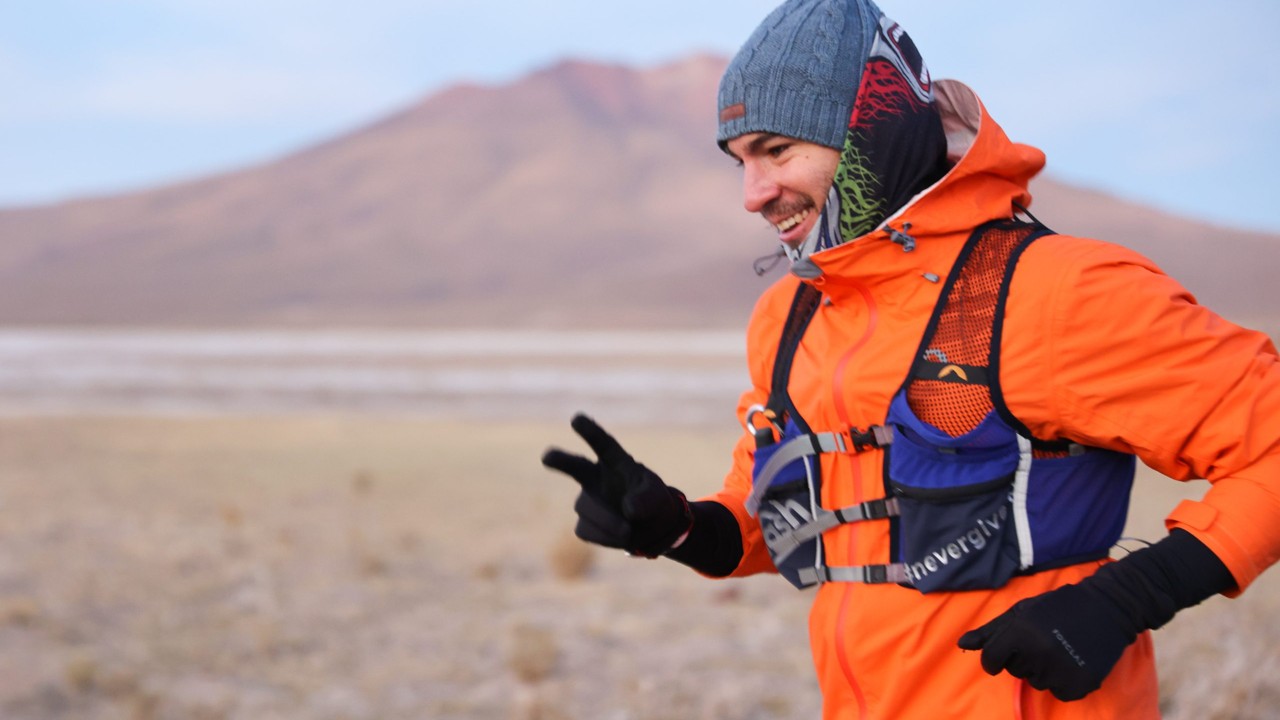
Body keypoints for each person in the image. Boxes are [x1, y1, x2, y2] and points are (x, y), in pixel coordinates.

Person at [541, 0, 1280, 717]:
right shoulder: (791, 314)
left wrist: (1130, 597)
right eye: (740, 161)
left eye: (777, 150)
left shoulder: (1057, 290)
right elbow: (783, 511)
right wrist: (677, 527)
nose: (753, 194)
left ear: (870, 129)